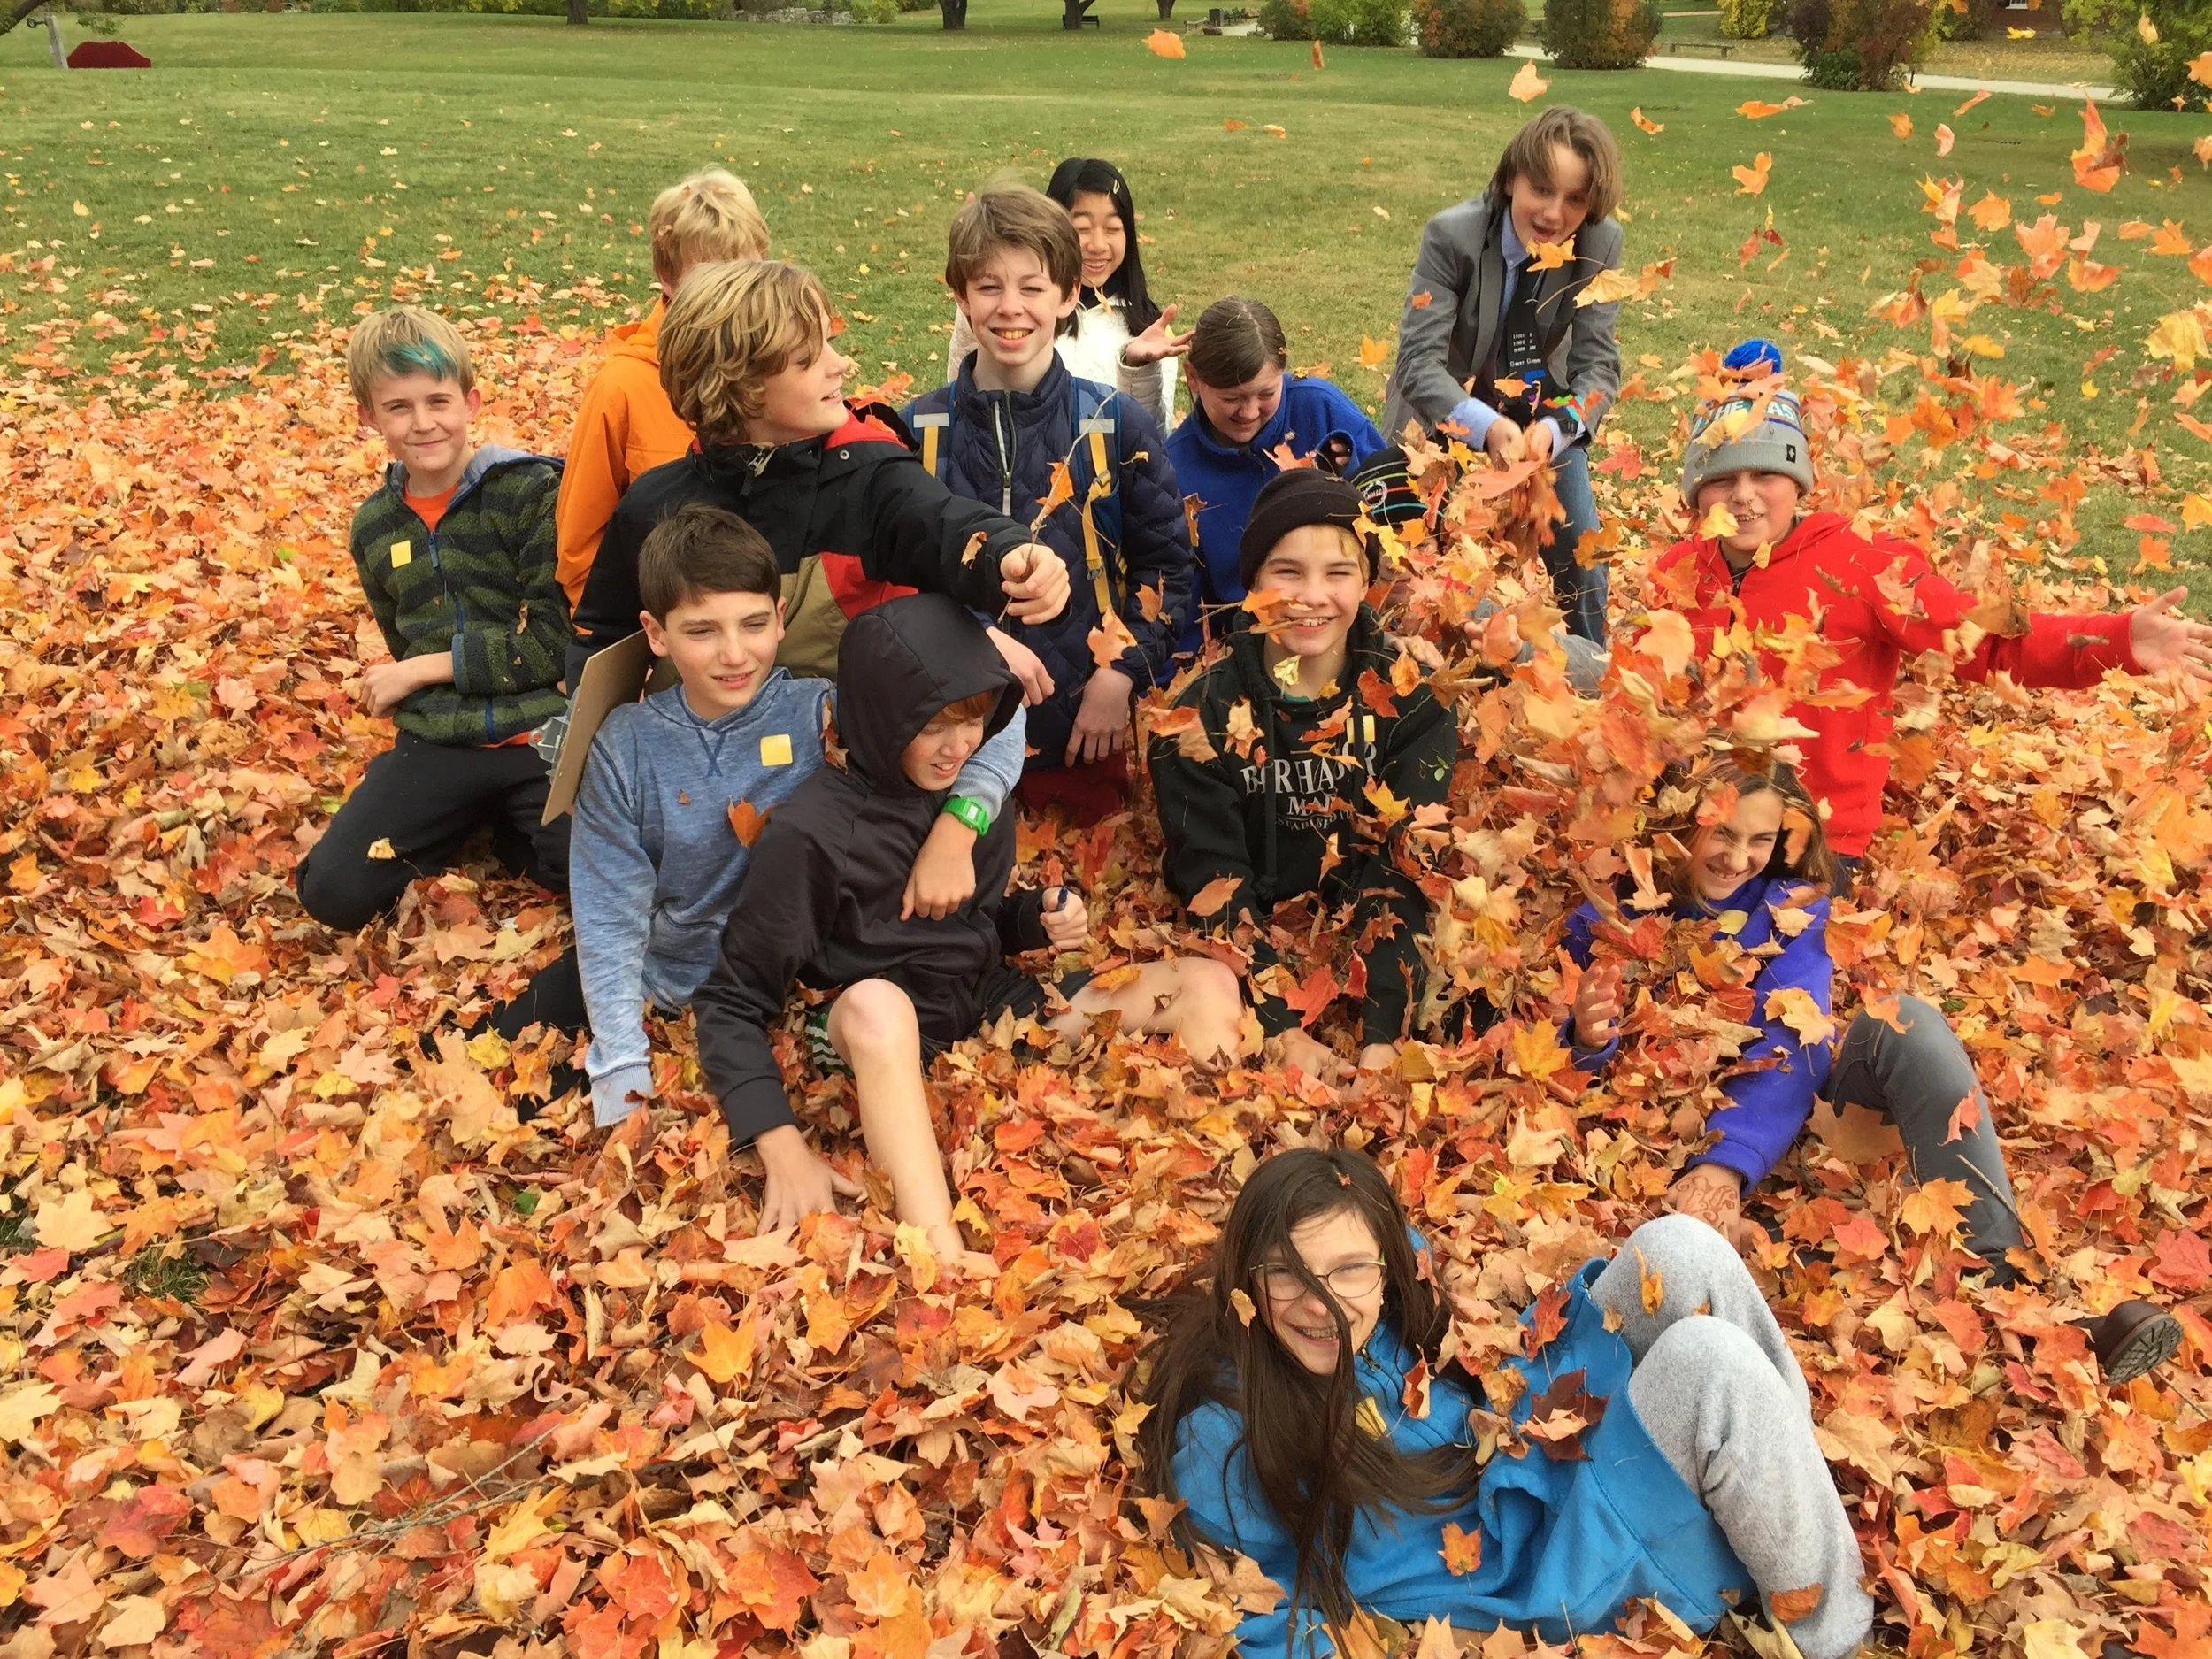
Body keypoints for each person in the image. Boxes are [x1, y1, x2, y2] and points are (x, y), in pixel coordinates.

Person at [1563, 758, 2182, 1384]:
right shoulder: (1608, 903)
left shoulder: (1788, 907)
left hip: (1777, 1128)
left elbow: (1794, 1043)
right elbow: (1561, 1063)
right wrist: (1587, 1038)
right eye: (1721, 833)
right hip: (1654, 1167)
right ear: (1679, 821)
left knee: (1904, 1022)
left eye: (1760, 839)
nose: (1738, 857)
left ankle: (2012, 1284)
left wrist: (1724, 1169)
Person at [1137, 1148, 1875, 1659]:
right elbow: (1255, 1606)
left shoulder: (1386, 1308)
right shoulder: (1229, 1436)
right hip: (1538, 1570)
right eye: (1288, 1274)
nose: (1322, 1301)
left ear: (1385, 1268)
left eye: (1349, 1268)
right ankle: (1834, 1635)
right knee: (1704, 1366)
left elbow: (1400, 1253)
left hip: (1519, 1456)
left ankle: (1788, 1505)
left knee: (1678, 1249)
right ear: (1244, 1282)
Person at [692, 594, 1247, 1263]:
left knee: (1206, 980)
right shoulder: (812, 832)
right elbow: (730, 998)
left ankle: (1234, 1181)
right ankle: (941, 1253)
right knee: (877, 1006)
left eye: (974, 721)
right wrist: (775, 1135)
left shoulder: (967, 800)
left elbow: (973, 922)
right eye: (934, 725)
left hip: (986, 1008)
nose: (959, 744)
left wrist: (1031, 918)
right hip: (873, 1032)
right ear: (883, 718)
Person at [471, 504, 1027, 1127]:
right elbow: (610, 912)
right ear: (657, 634)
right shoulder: (627, 747)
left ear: (781, 618)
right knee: (488, 1070)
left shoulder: (822, 710)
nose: (734, 654)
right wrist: (623, 1063)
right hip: (673, 972)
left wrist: (961, 823)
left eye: (754, 624)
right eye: (702, 631)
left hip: (793, 976)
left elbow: (988, 724)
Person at [1658, 338, 2212, 872]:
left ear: (1799, 483)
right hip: (1702, 824)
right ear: (1696, 493)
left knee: (1781, 959)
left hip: (1814, 832)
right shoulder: (1676, 574)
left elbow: (1983, 641)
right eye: (1723, 478)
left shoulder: (1863, 565)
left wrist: (2118, 639)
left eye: (1766, 475)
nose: (1745, 495)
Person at [567, 259, 1071, 692]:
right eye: (809, 358)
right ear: (742, 387)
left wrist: (1010, 555)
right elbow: (602, 645)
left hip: (838, 767)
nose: (841, 364)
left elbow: (946, 525)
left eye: (829, 343)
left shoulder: (870, 478)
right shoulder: (655, 506)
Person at [1148, 471, 1455, 1084]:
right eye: (1287, 571)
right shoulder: (1198, 720)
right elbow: (1212, 881)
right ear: (1253, 582)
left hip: (1369, 936)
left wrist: (1383, 1035)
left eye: (1338, 573)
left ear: (1367, 583)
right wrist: (1280, 1029)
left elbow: (1408, 865)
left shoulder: (1414, 702)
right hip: (1253, 953)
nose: (1312, 595)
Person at [907, 181, 1195, 826]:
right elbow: (889, 590)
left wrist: (1121, 671)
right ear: (960, 296)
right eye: (988, 287)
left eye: (1032, 288)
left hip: (1080, 737)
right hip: (945, 741)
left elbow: (1170, 575)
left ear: (1068, 295)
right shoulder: (919, 430)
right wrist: (973, 645)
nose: (1011, 308)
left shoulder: (1114, 423)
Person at [296, 305, 571, 933]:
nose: (423, 424)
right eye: (398, 407)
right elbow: (401, 629)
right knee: (332, 892)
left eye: (439, 401)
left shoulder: (529, 493)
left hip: (538, 735)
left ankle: (499, 822)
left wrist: (421, 669)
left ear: (471, 402)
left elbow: (553, 643)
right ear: (369, 416)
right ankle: (455, 810)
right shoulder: (374, 528)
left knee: (587, 867)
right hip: (439, 742)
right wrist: (423, 676)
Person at [1381, 107, 1625, 648]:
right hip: (1441, 400)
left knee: (1583, 540)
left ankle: (1592, 671)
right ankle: (1424, 671)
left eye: (1576, 199)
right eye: (1542, 189)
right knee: (1413, 552)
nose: (1554, 214)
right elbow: (1418, 363)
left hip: (1541, 401)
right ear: (1513, 175)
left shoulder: (1601, 243)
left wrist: (1558, 427)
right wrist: (1485, 427)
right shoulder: (1453, 235)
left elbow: (1599, 368)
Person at [553, 167, 771, 609]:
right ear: (666, 276)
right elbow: (579, 556)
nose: (732, 291)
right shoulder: (623, 387)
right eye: (711, 275)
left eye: (747, 269)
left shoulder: (784, 368)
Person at [1168, 296, 1386, 653]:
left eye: (1267, 393)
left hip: (1347, 622)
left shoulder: (1321, 408)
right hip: (1248, 643)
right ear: (1193, 378)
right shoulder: (1178, 466)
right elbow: (1184, 597)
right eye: (1232, 398)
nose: (1250, 412)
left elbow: (1387, 498)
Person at [943, 157, 1187, 434]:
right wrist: (975, 262)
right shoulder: (1025, 318)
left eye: (1113, 229)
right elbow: (961, 394)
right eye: (1081, 229)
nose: (1097, 245)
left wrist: (1139, 369)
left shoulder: (1148, 329)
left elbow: (1151, 441)